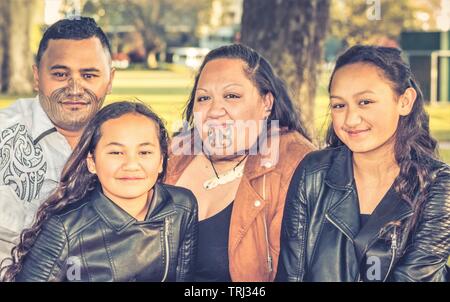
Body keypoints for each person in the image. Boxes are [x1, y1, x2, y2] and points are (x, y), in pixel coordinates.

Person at [277, 45, 450, 282]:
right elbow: (291, 274)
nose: (350, 119)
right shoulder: (312, 173)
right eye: (339, 105)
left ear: (405, 101)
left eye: (365, 102)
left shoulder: (437, 186)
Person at [164, 44, 315, 281]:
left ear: (267, 103)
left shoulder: (292, 166)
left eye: (231, 96)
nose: (214, 111)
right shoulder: (172, 156)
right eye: (203, 98)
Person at [0, 101, 198, 282]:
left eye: (144, 152)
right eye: (116, 152)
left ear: (161, 161)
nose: (131, 165)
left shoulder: (181, 206)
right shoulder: (64, 229)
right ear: (92, 162)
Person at [0, 17, 115, 264]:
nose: (74, 88)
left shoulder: (131, 143)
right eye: (60, 74)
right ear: (37, 76)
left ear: (110, 80)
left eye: (89, 75)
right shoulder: (3, 134)